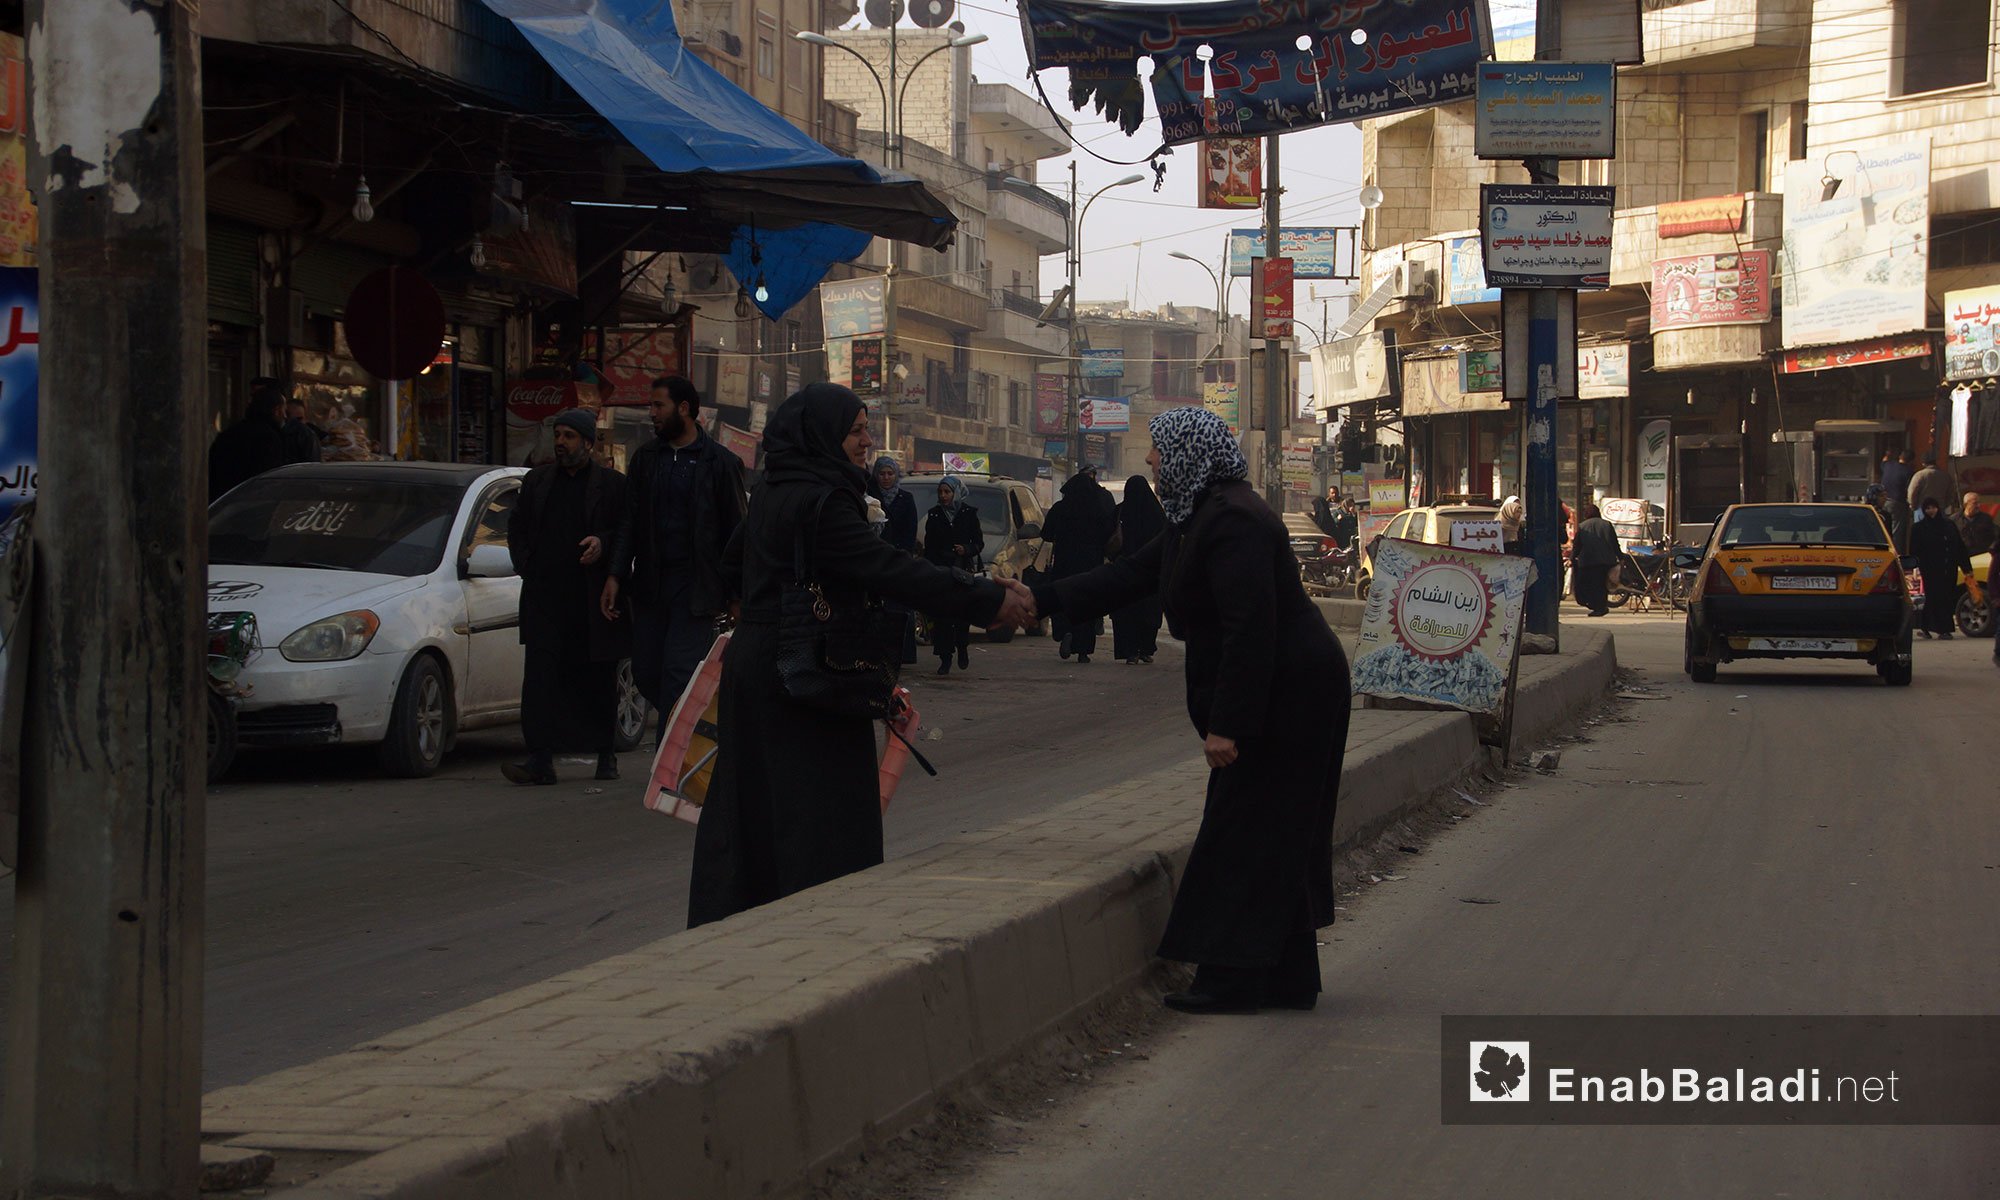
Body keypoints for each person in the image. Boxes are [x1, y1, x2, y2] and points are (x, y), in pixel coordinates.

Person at [1024, 407, 1348, 1014]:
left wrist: (1230, 724)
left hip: (1291, 690)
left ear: (1188, 456)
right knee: (1272, 830)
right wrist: (1036, 599)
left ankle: (1230, 979)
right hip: (1282, 686)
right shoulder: (1196, 517)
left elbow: (1249, 629)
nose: (1149, 461)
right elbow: (1126, 577)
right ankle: (1286, 976)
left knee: (1242, 829)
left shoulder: (1235, 522)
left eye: (1156, 450)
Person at [686, 385, 1032, 927]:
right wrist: (984, 597)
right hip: (806, 678)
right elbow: (886, 567)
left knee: (753, 811)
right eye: (856, 431)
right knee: (818, 820)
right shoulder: (822, 501)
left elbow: (731, 562)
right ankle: (814, 931)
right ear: (823, 436)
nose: (868, 442)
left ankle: (741, 924)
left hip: (760, 666)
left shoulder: (776, 486)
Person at [602, 377, 748, 737]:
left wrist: (737, 595)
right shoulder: (646, 460)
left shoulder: (720, 463)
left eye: (658, 406)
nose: (651, 413)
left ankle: (667, 767)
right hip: (651, 585)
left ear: (683, 409)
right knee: (647, 672)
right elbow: (629, 522)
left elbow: (736, 534)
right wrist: (615, 575)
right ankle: (683, 741)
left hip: (695, 589)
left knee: (678, 675)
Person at [503, 410, 632, 784]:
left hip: (591, 598)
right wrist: (525, 562)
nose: (561, 442)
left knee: (597, 677)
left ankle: (605, 755)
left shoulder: (611, 485)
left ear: (589, 444)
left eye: (570, 436)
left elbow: (625, 530)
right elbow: (517, 525)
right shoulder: (539, 481)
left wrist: (602, 545)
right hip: (545, 597)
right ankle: (540, 758)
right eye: (558, 435)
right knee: (542, 676)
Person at [1042, 464, 1117, 663]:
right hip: (1090, 567)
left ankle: (1065, 631)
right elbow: (1109, 536)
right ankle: (1083, 650)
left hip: (1064, 565)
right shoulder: (1099, 510)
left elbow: (1046, 534)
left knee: (1063, 599)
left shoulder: (1060, 508)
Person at [922, 474, 984, 675]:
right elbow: (929, 546)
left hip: (962, 571)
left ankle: (962, 648)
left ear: (956, 492)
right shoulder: (935, 515)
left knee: (961, 615)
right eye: (941, 492)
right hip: (941, 572)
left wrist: (966, 549)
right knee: (942, 617)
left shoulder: (968, 514)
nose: (943, 496)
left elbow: (978, 543)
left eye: (947, 492)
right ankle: (945, 657)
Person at [1110, 474, 1167, 664]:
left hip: (1125, 571)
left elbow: (1110, 542)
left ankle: (1130, 651)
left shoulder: (1120, 512)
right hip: (1150, 573)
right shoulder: (1157, 514)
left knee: (1127, 613)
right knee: (1148, 612)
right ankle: (1146, 648)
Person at [208, 383, 288, 501]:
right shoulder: (269, 438)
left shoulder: (229, 433)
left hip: (222, 503)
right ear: (276, 411)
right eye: (283, 411)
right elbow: (269, 478)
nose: (285, 416)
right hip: (252, 505)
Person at [1911, 496, 1973, 640]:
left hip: (1949, 569)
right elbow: (1915, 550)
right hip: (1931, 570)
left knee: (1946, 598)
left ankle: (1929, 627)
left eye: (1933, 507)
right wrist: (1916, 566)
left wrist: (1966, 568)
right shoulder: (1919, 528)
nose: (1931, 511)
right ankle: (1942, 629)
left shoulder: (1948, 525)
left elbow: (1959, 547)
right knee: (1935, 598)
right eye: (1928, 508)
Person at [1570, 502, 1620, 617]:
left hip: (1588, 562)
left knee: (1590, 585)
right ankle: (1601, 607)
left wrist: (1572, 558)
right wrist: (1620, 557)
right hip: (1605, 561)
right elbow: (1614, 543)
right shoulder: (1607, 525)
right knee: (1601, 586)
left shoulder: (1583, 526)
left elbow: (1577, 545)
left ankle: (1597, 607)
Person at [872, 455, 918, 554]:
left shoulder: (906, 498)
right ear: (876, 474)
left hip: (899, 555)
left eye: (890, 473)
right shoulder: (870, 497)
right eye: (882, 474)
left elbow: (910, 532)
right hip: (875, 554)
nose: (886, 478)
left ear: (896, 475)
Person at [1880, 449, 1915, 553]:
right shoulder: (1909, 472)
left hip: (1883, 500)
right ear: (1911, 461)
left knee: (1884, 526)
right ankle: (1895, 553)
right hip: (1897, 501)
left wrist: (1888, 454)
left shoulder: (1888, 465)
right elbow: (1909, 489)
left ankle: (1884, 550)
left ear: (1900, 457)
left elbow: (1884, 460)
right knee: (1896, 530)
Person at [1908, 455, 1956, 528]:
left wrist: (1913, 505)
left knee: (1921, 533)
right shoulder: (1945, 476)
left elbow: (1912, 493)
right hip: (1940, 508)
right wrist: (1945, 504)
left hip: (1921, 508)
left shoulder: (1919, 475)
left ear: (1923, 463)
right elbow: (1951, 493)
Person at [278, 391, 322, 466]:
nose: (296, 424)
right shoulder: (276, 435)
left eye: (299, 419)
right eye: (292, 419)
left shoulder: (308, 435)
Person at [1954, 491, 1994, 558]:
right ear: (1966, 504)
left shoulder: (1986, 519)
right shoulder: (1955, 520)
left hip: (1982, 555)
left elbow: (1994, 535)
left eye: (1979, 503)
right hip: (1964, 557)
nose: (1978, 505)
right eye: (1975, 503)